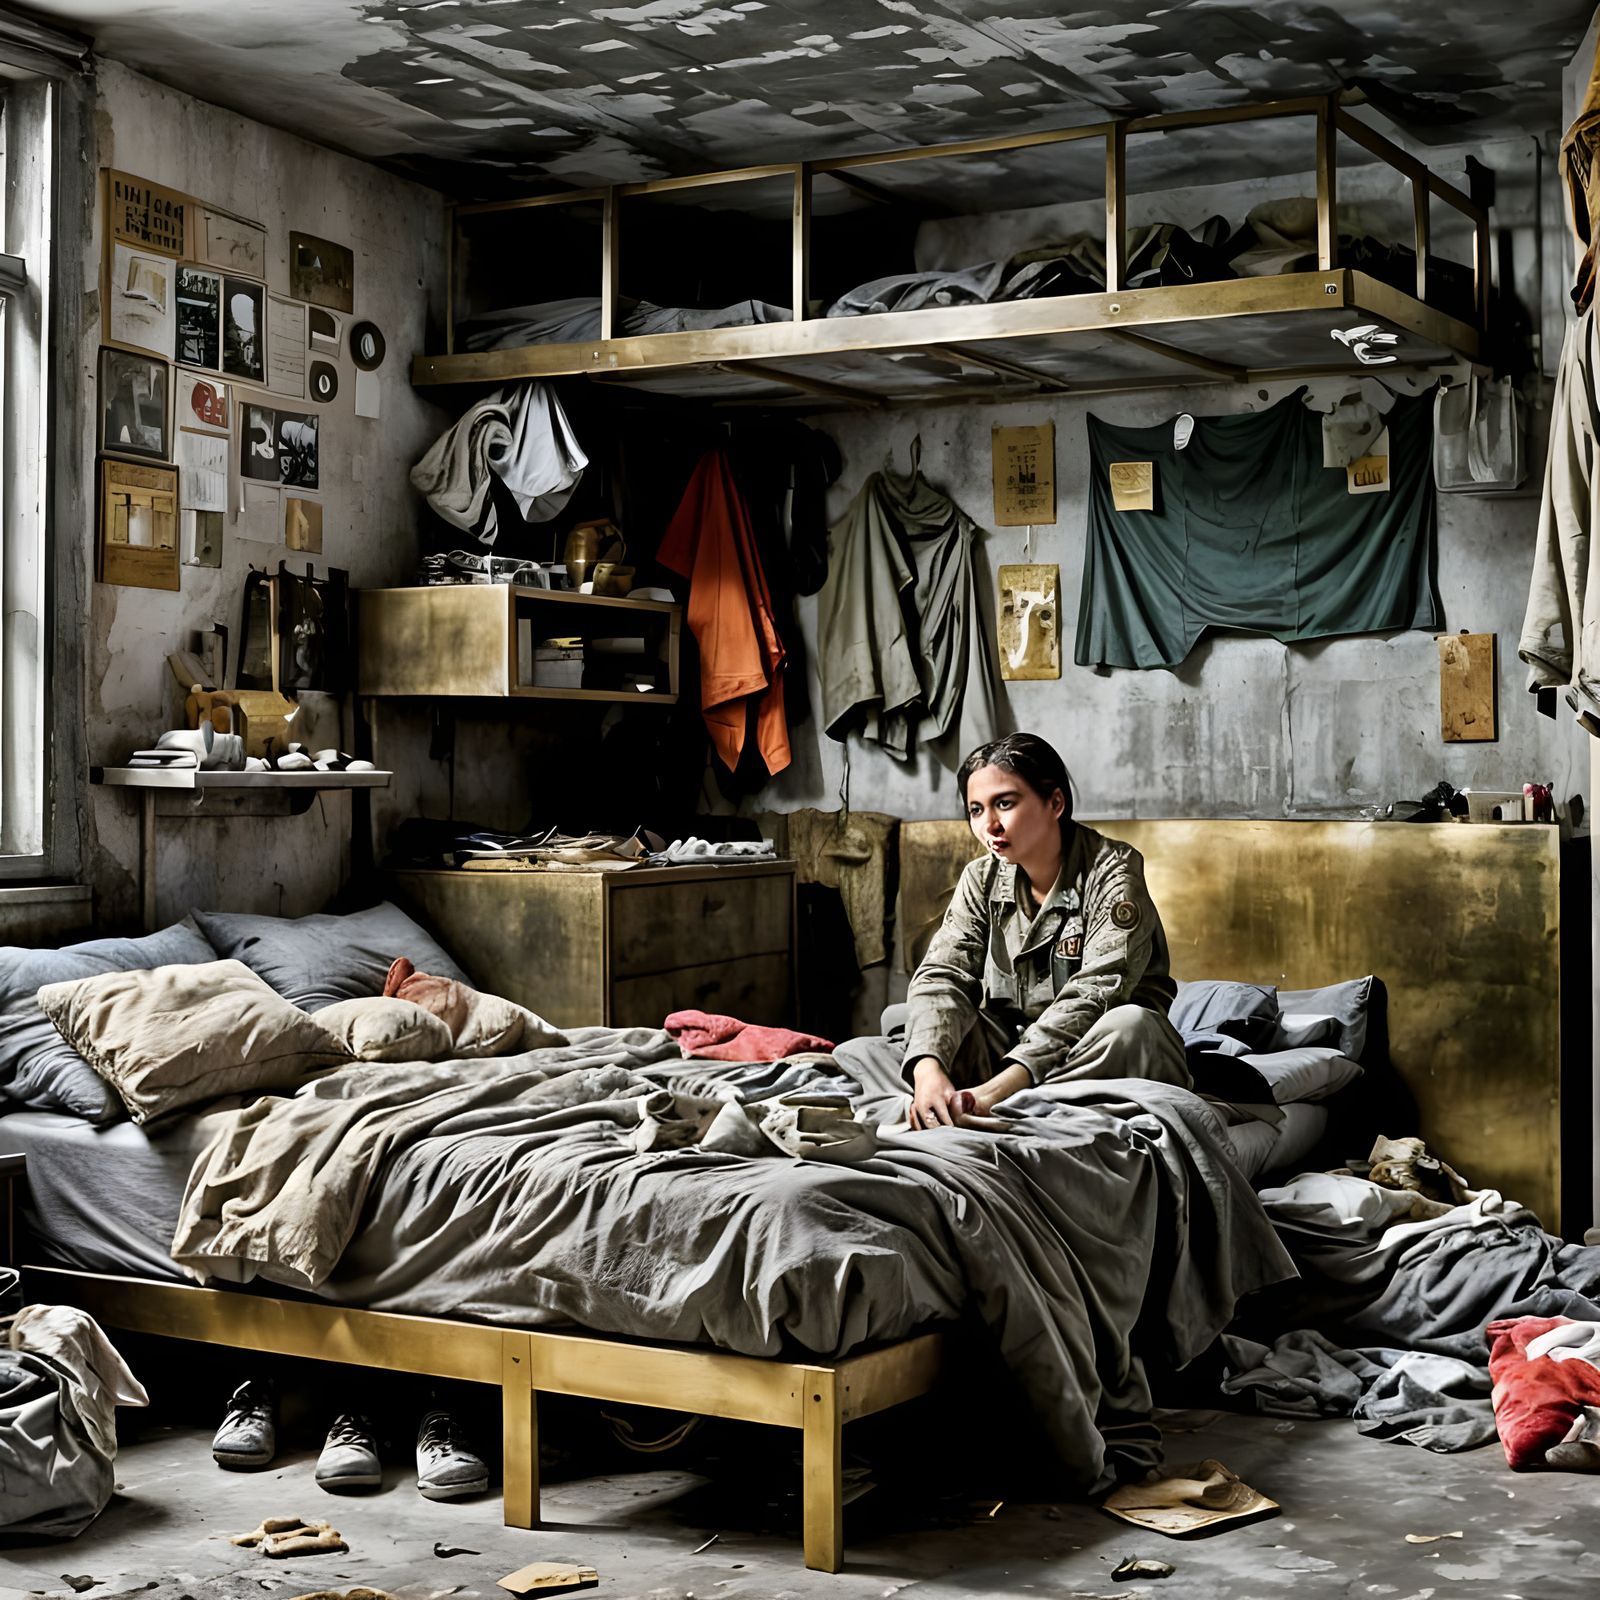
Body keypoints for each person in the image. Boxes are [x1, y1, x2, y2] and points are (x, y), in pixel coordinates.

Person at [903, 732, 1188, 1130]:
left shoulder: (1114, 870)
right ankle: (965, 1098)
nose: (990, 825)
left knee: (1132, 1027)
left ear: (1055, 803)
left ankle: (1014, 1103)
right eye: (975, 810)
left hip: (1094, 1049)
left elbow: (1096, 994)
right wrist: (928, 1071)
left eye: (1004, 803)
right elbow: (943, 974)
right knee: (907, 1030)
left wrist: (999, 1090)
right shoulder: (980, 877)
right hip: (1011, 1045)